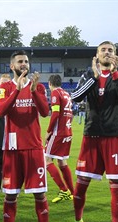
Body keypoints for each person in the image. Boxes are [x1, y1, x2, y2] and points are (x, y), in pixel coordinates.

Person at [70, 41, 118, 222]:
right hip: (92, 135)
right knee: (80, 186)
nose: (107, 53)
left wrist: (114, 73)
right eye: (103, 50)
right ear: (96, 56)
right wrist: (95, 77)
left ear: (116, 55)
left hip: (114, 136)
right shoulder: (88, 74)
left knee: (116, 188)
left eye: (111, 50)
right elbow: (75, 97)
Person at [0, 50, 55, 222]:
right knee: (10, 196)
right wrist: (16, 91)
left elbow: (45, 112)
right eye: (20, 61)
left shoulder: (37, 86)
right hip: (12, 150)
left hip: (34, 148)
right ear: (12, 66)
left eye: (26, 61)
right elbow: (1, 111)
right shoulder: (5, 86)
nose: (24, 64)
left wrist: (35, 91)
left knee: (40, 194)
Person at [44, 74, 74, 203]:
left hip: (58, 133)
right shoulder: (66, 94)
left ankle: (64, 190)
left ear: (50, 84)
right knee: (62, 162)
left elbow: (55, 113)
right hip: (68, 131)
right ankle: (73, 192)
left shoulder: (55, 93)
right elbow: (71, 114)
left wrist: (48, 131)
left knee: (47, 160)